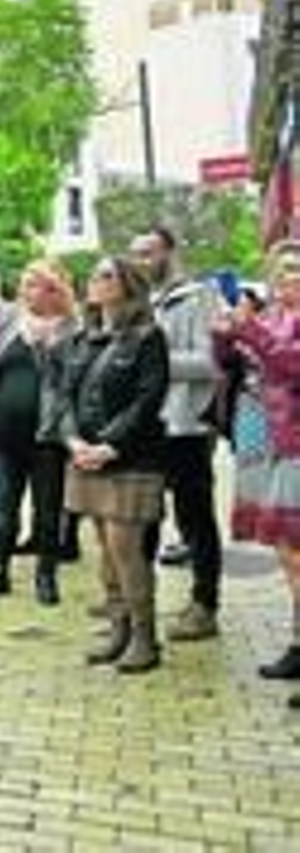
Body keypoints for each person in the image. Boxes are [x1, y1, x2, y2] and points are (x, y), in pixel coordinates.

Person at [61, 257, 170, 674]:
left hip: (131, 458)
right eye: (93, 275)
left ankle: (145, 637)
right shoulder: (84, 337)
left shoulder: (148, 336)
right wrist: (73, 440)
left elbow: (148, 398)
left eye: (106, 276)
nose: (95, 281)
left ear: (128, 285)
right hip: (86, 454)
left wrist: (110, 445)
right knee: (105, 548)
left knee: (126, 548)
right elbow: (65, 394)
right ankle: (119, 629)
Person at [129, 226, 224, 643]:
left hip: (186, 424)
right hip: (145, 425)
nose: (140, 261)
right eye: (135, 254)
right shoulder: (141, 301)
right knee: (144, 517)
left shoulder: (198, 297)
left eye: (148, 253)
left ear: (170, 252)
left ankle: (205, 604)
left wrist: (152, 359)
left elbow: (209, 362)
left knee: (195, 518)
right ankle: (138, 602)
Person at [0, 260, 79, 605]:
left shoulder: (72, 331)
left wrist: (47, 348)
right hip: (2, 433)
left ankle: (46, 576)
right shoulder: (8, 324)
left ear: (55, 290)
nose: (28, 292)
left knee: (47, 512)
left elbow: (70, 385)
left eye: (36, 285)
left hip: (47, 436)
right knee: (2, 508)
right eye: (25, 285)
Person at [213, 242, 300, 686]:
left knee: (295, 550)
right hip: (267, 440)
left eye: (296, 269)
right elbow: (236, 365)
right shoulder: (273, 316)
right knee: (287, 551)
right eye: (281, 269)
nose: (288, 276)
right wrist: (224, 336)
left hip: (296, 442)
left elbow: (290, 362)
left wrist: (249, 331)